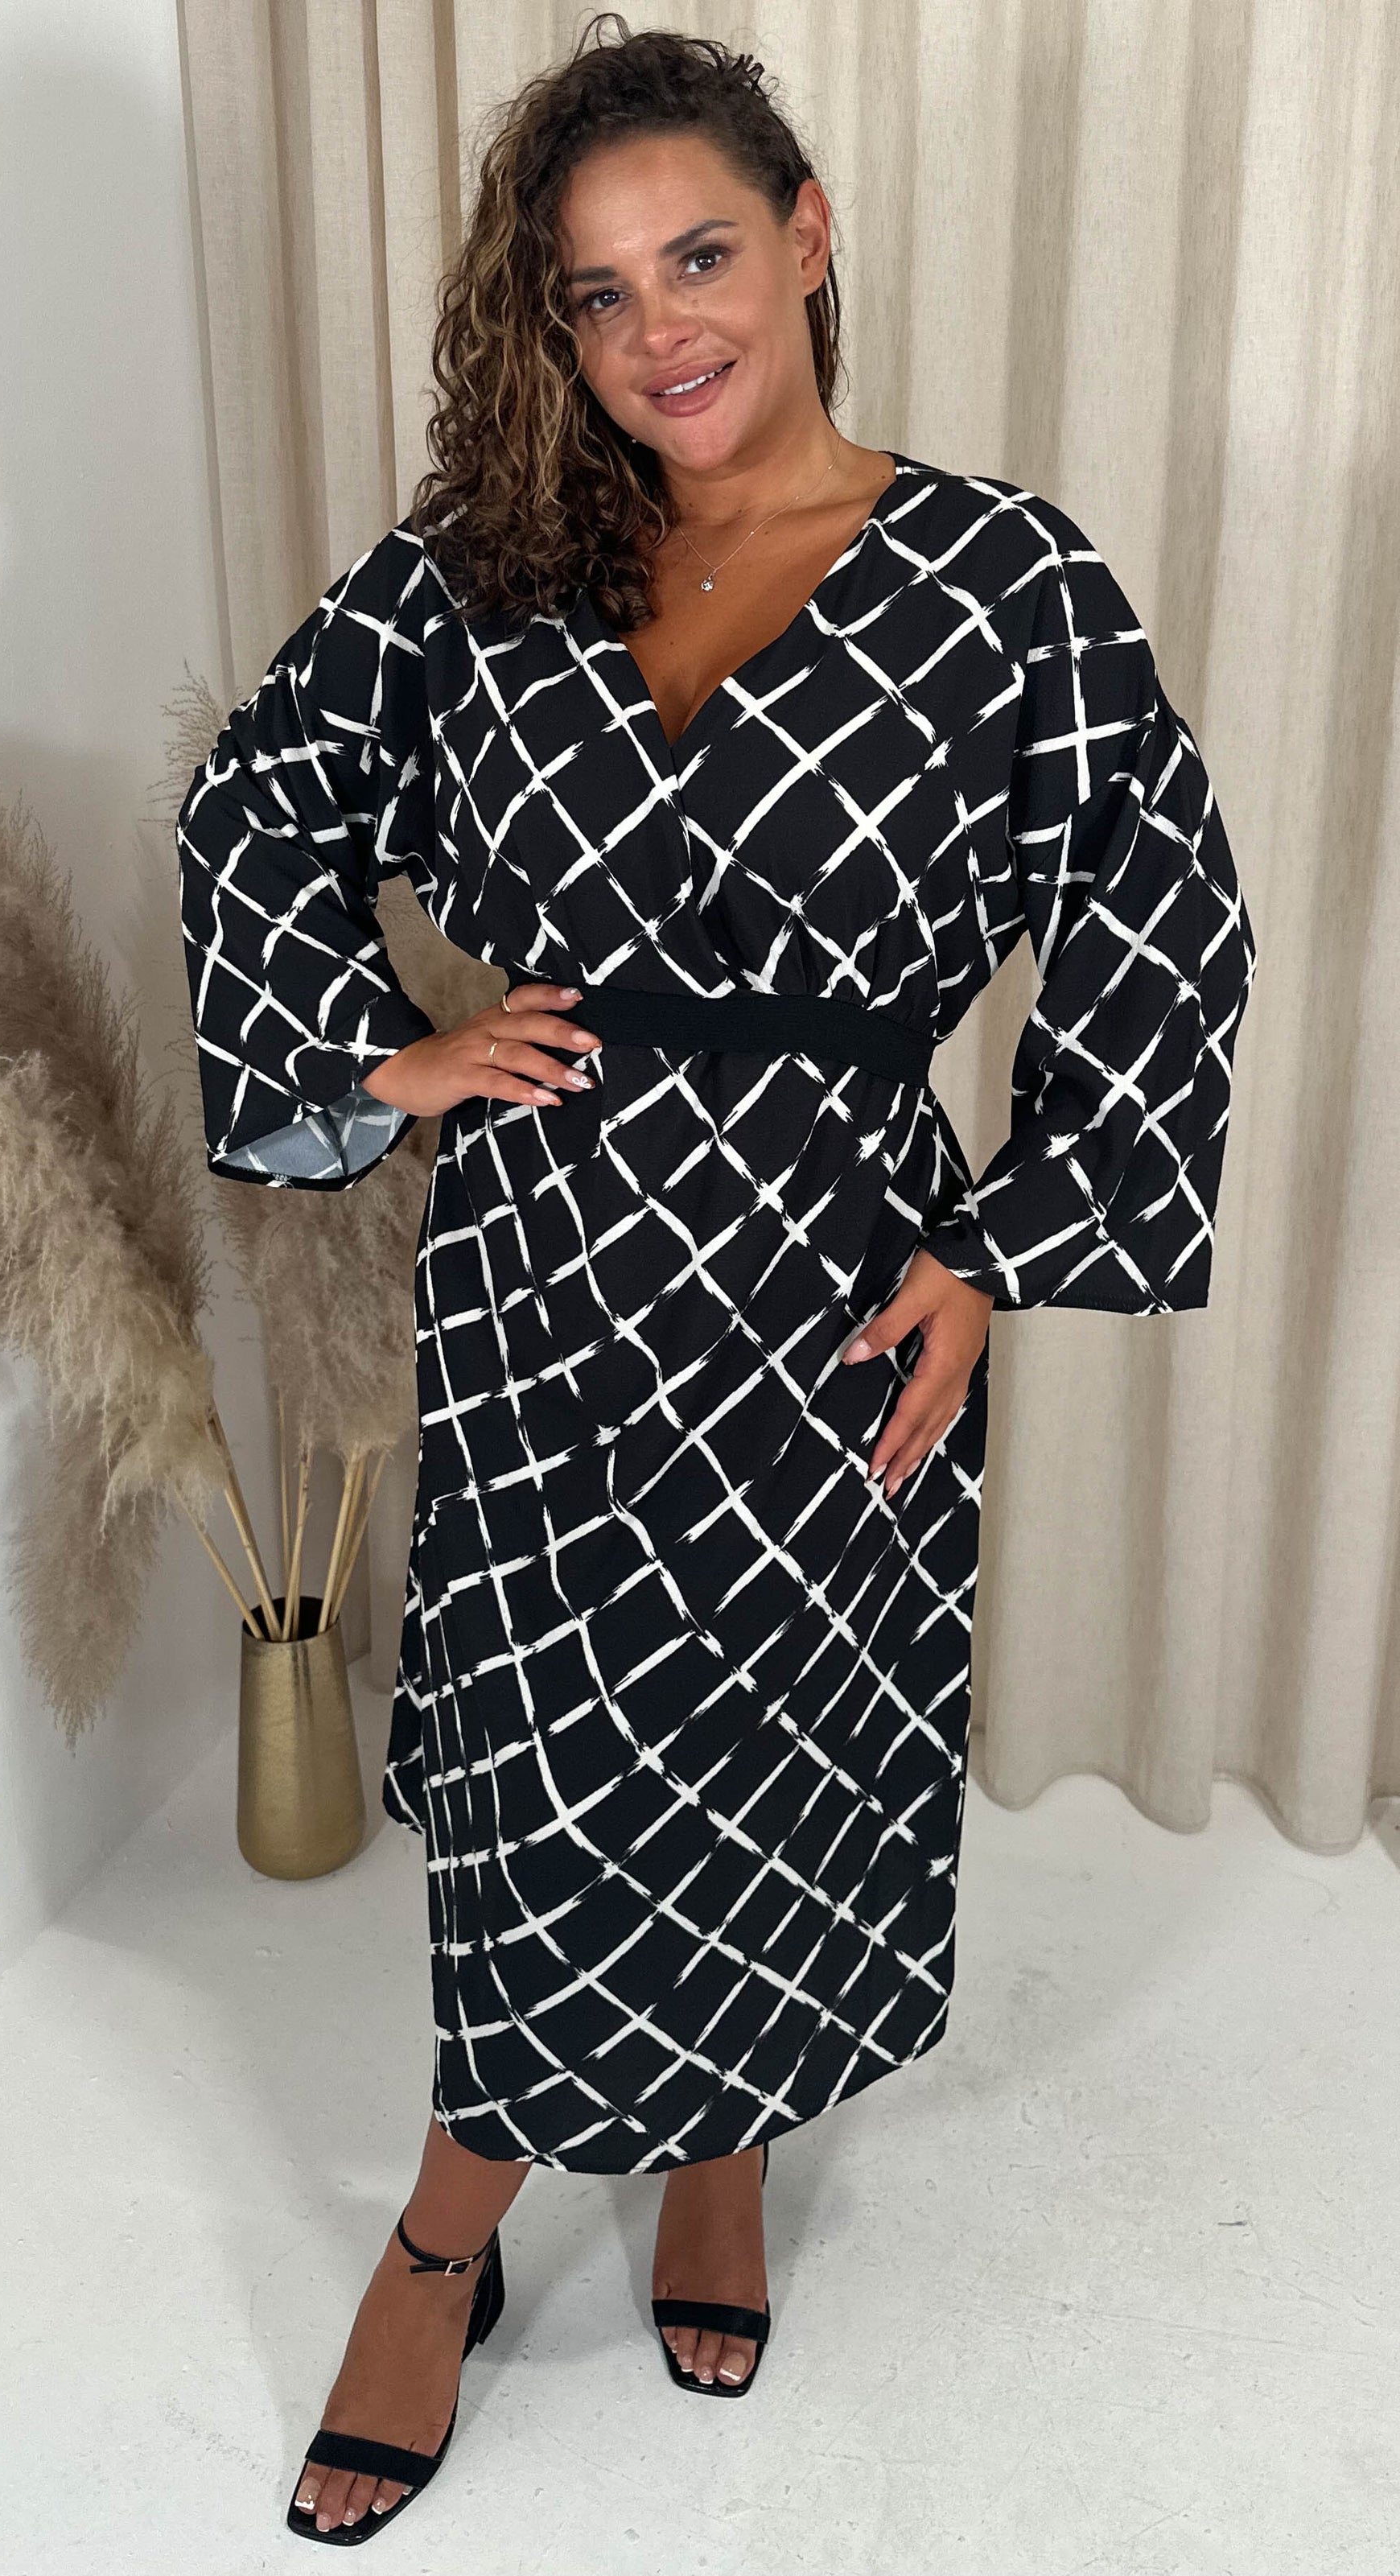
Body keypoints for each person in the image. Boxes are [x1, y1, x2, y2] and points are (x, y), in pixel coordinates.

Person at [175, 14, 1255, 2548]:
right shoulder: (489, 569)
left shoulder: (1001, 583)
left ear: (808, 239)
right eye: (597, 291)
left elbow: (1162, 905)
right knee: (548, 1755)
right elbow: (262, 795)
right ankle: (447, 2226)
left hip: (832, 1269)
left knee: (782, 1734)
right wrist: (390, 1062)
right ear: (552, 325)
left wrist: (995, 1249)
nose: (659, 326)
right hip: (549, 1266)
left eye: (698, 255)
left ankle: (723, 2144)